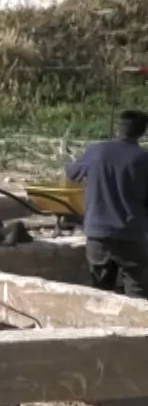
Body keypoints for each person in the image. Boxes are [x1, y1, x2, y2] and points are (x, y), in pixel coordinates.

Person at [66, 109, 148, 297]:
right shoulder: (143, 159)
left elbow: (72, 173)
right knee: (138, 292)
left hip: (97, 233)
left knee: (100, 291)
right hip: (131, 234)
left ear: (118, 129)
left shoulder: (97, 151)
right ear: (142, 132)